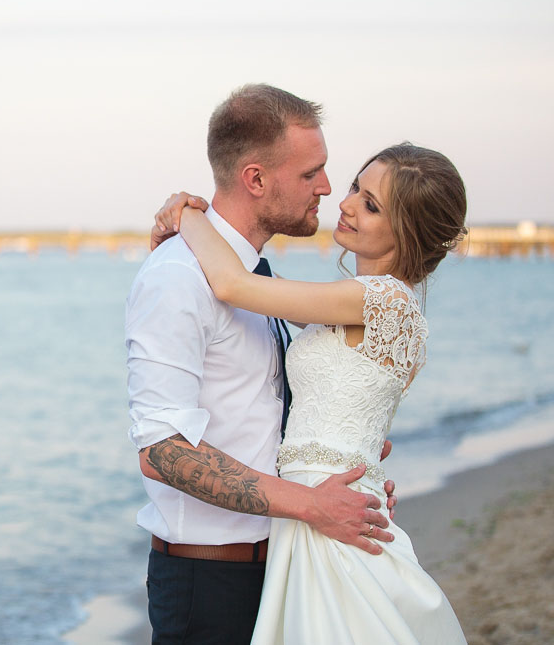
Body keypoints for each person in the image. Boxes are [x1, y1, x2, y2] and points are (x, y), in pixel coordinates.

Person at [152, 142, 468, 643]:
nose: (345, 203)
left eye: (370, 205)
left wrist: (187, 214)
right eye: (354, 188)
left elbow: (235, 286)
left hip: (323, 510)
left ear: (405, 230)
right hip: (320, 504)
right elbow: (266, 285)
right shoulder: (363, 306)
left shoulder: (379, 299)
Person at [125, 84, 398, 645]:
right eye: (310, 174)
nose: (327, 188)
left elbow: (272, 414)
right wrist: (313, 504)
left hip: (290, 565)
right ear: (255, 179)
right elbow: (162, 450)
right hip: (211, 583)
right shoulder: (177, 277)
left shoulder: (258, 281)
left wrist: (348, 464)